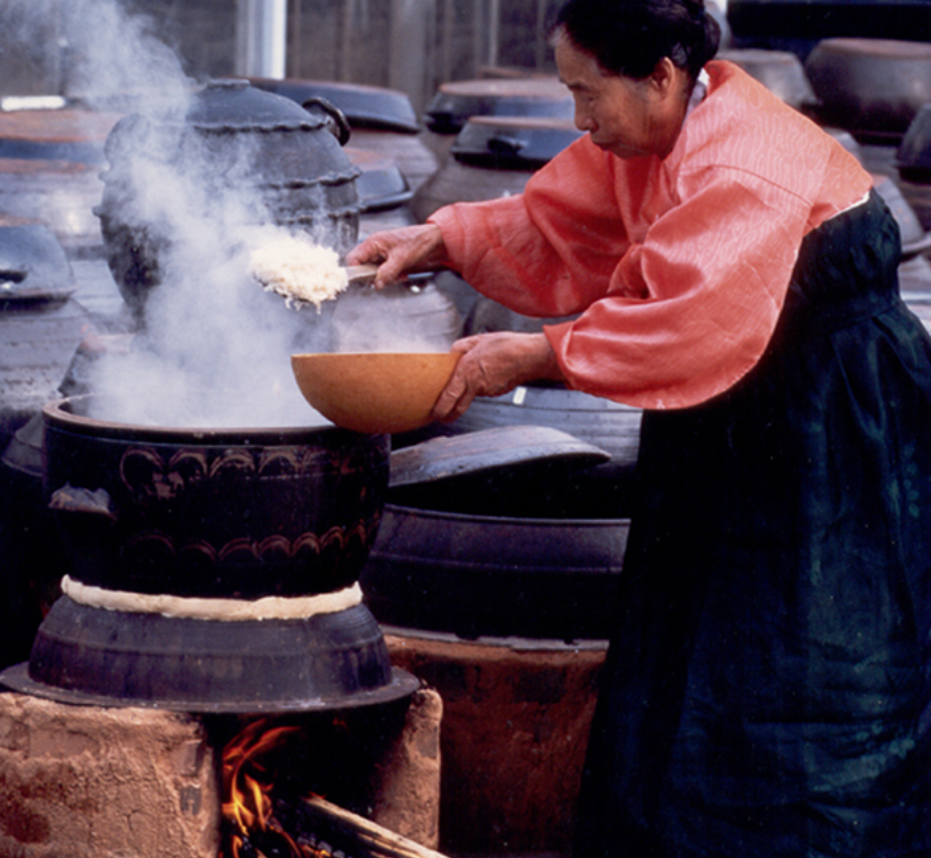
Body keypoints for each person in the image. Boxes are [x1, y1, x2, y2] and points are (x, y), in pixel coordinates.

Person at [346, 0, 931, 854]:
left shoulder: (743, 161)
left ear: (660, 74)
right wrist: (435, 239)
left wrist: (529, 357)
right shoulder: (655, 133)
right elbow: (556, 222)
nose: (580, 119)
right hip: (731, 419)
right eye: (567, 93)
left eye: (589, 94)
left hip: (833, 425)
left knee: (810, 668)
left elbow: (683, 318)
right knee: (691, 656)